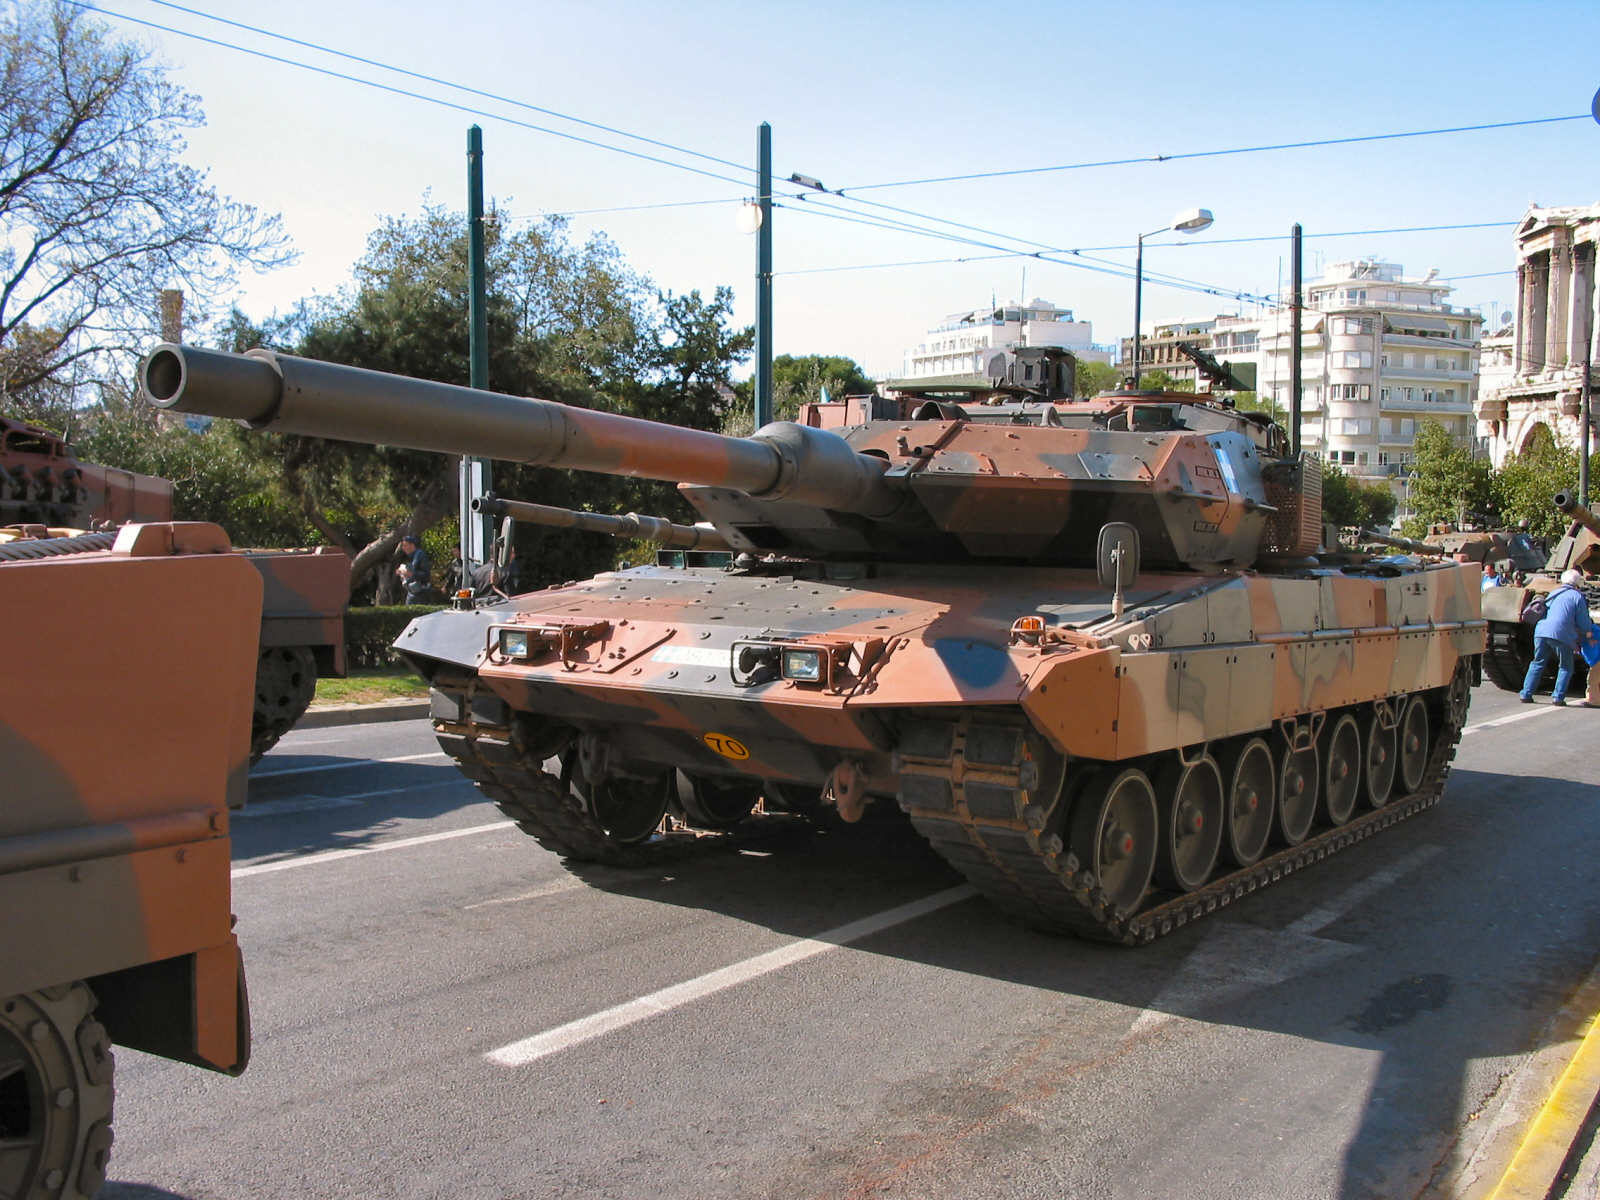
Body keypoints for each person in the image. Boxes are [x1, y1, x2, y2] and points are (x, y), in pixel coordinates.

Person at [1519, 569, 1597, 706]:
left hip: (1541, 631)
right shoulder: (1577, 596)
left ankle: (1526, 694)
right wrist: (1588, 633)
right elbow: (1583, 622)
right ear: (1577, 582)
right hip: (1561, 634)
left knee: (1538, 662)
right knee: (1566, 666)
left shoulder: (1554, 593)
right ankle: (1558, 697)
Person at [395, 533, 432, 605]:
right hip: (412, 592)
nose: (403, 548)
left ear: (412, 545)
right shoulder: (411, 556)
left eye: (405, 545)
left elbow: (426, 574)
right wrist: (401, 572)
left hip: (421, 593)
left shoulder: (420, 555)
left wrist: (411, 574)